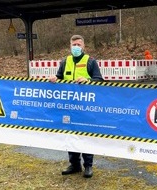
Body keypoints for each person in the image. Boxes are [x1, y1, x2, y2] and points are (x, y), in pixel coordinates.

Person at [49, 35, 103, 178]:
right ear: (70, 46)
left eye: (78, 44)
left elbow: (100, 80)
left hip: (85, 107)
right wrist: (55, 78)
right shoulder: (65, 61)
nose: (76, 47)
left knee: (85, 135)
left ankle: (88, 166)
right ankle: (74, 164)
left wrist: (88, 80)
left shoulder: (91, 61)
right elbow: (60, 77)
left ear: (83, 46)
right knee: (70, 135)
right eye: (74, 44)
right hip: (69, 106)